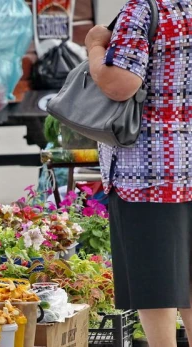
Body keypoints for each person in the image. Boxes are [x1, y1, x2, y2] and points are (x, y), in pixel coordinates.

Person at [87, 1, 192, 345]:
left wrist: (94, 47)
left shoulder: (142, 11)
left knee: (156, 281)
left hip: (148, 172)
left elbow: (120, 84)